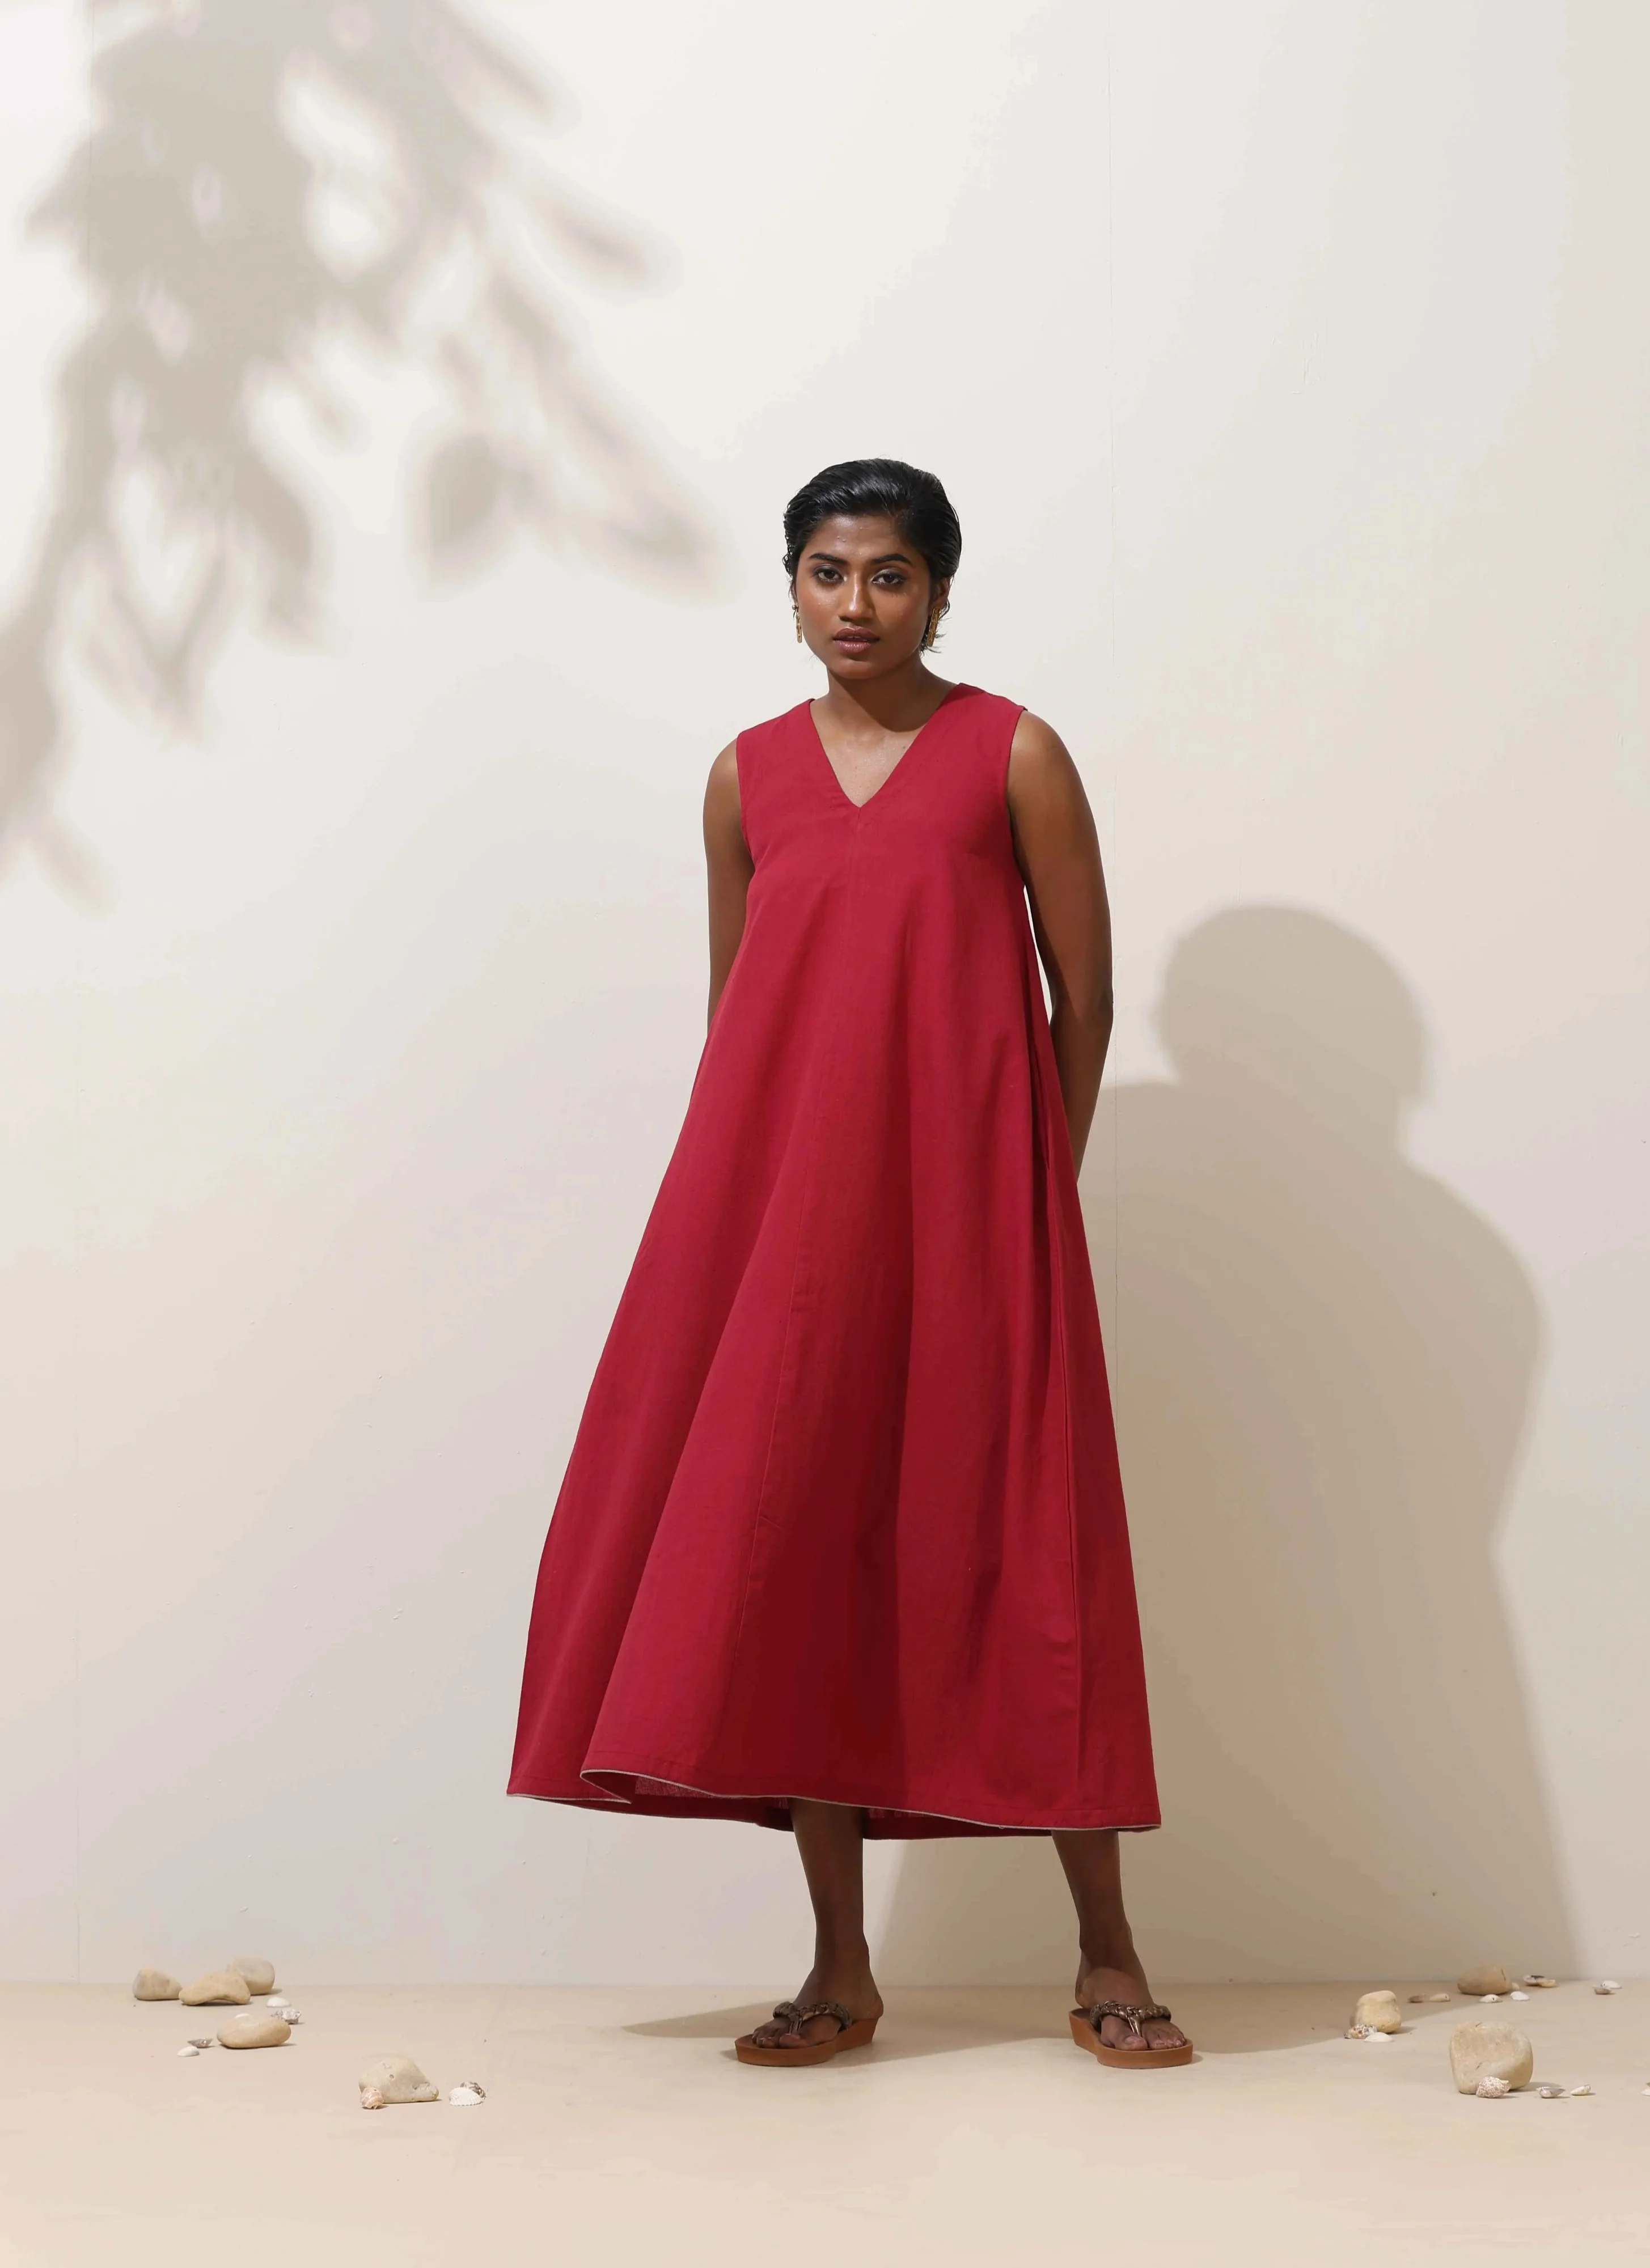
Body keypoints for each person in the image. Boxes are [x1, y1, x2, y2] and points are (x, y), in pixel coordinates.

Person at [509, 458, 1190, 2070]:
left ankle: (1107, 1952)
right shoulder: (743, 778)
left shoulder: (1012, 753)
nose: (857, 604)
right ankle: (839, 1967)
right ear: (793, 589)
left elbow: (1085, 999)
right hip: (792, 1228)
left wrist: (1033, 1182)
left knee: (1029, 1550)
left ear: (940, 592)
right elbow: (739, 1016)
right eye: (828, 572)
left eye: (890, 575)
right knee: (801, 1551)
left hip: (973, 1208)